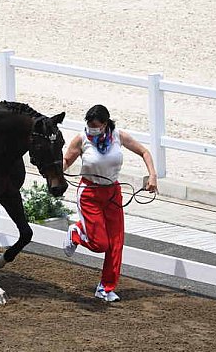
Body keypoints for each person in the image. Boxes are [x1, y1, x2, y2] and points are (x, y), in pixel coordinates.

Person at [62, 104, 158, 302]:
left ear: (105, 124)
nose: (92, 129)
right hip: (90, 193)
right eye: (89, 125)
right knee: (100, 244)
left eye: (96, 125)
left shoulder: (118, 136)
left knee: (116, 243)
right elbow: (65, 162)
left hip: (113, 193)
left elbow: (144, 153)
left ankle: (105, 288)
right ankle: (76, 232)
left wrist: (152, 176)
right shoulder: (82, 139)